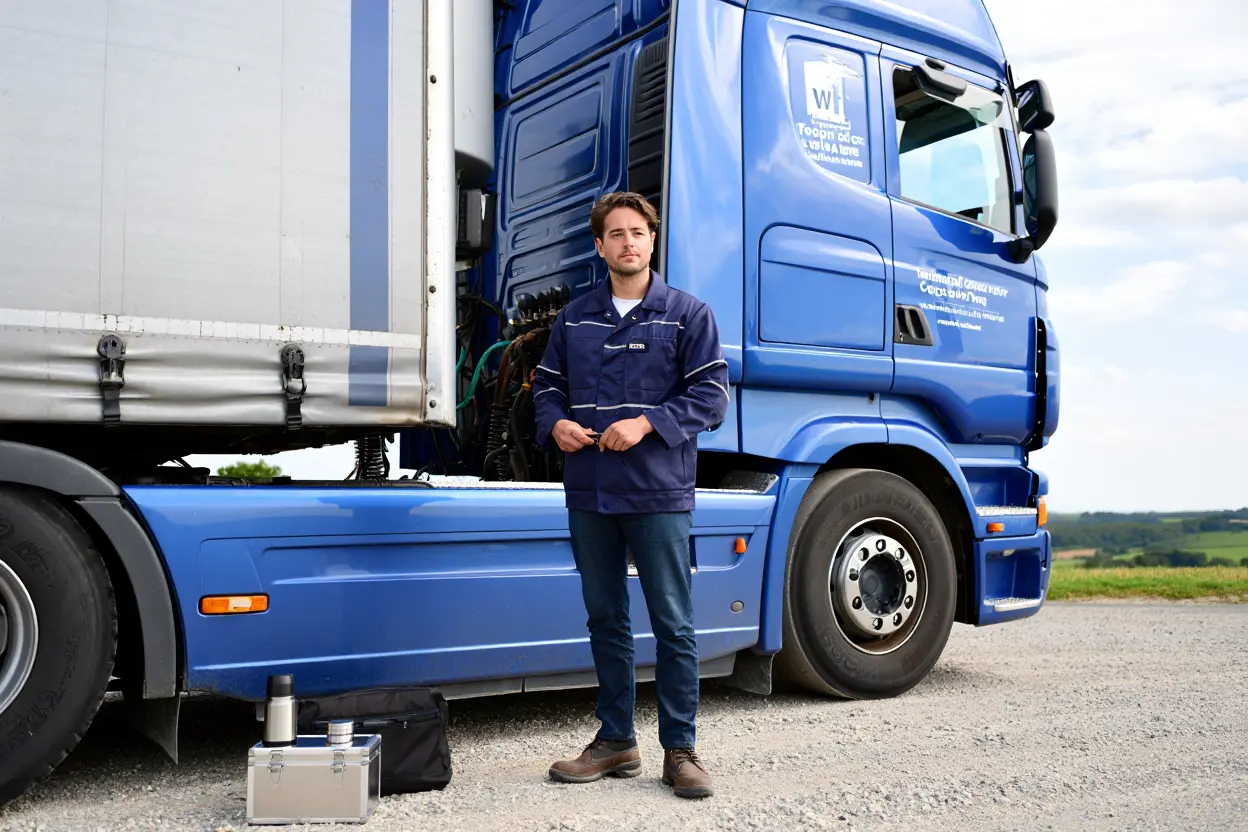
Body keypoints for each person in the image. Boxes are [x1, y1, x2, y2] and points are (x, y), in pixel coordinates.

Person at [531, 192, 729, 799]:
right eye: (615, 234)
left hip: (658, 492)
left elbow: (712, 399)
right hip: (589, 492)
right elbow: (545, 388)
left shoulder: (687, 315)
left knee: (673, 622)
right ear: (599, 246)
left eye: (637, 232)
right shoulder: (575, 318)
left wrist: (645, 424)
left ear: (651, 240)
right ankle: (616, 741)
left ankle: (682, 750)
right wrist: (555, 424)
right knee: (605, 618)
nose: (627, 243)